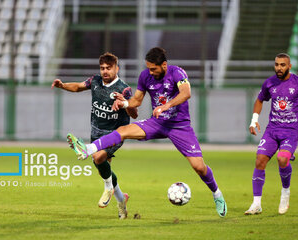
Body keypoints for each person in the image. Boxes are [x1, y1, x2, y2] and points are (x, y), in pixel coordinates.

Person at [67, 47, 227, 217]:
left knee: (199, 167)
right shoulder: (145, 76)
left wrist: (166, 106)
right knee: (123, 130)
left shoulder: (177, 73)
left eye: (153, 69)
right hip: (157, 123)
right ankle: (88, 149)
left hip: (179, 126)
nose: (150, 72)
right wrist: (124, 104)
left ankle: (217, 194)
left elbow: (186, 93)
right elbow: (136, 100)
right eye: (148, 68)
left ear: (164, 65)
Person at [51, 52, 138, 219]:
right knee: (103, 168)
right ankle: (122, 199)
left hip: (115, 133)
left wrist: (124, 103)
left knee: (98, 158)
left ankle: (107, 188)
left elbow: (133, 114)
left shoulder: (124, 89)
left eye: (108, 68)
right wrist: (62, 85)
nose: (105, 71)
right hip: (96, 132)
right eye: (102, 68)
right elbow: (78, 87)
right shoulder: (95, 81)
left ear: (116, 68)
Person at [245, 53, 298, 215]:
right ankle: (256, 204)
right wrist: (254, 120)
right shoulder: (269, 83)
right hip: (272, 130)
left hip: (291, 132)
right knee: (260, 160)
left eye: (282, 65)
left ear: (289, 66)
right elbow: (260, 100)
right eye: (276, 65)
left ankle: (285, 192)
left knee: (282, 159)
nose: (279, 68)